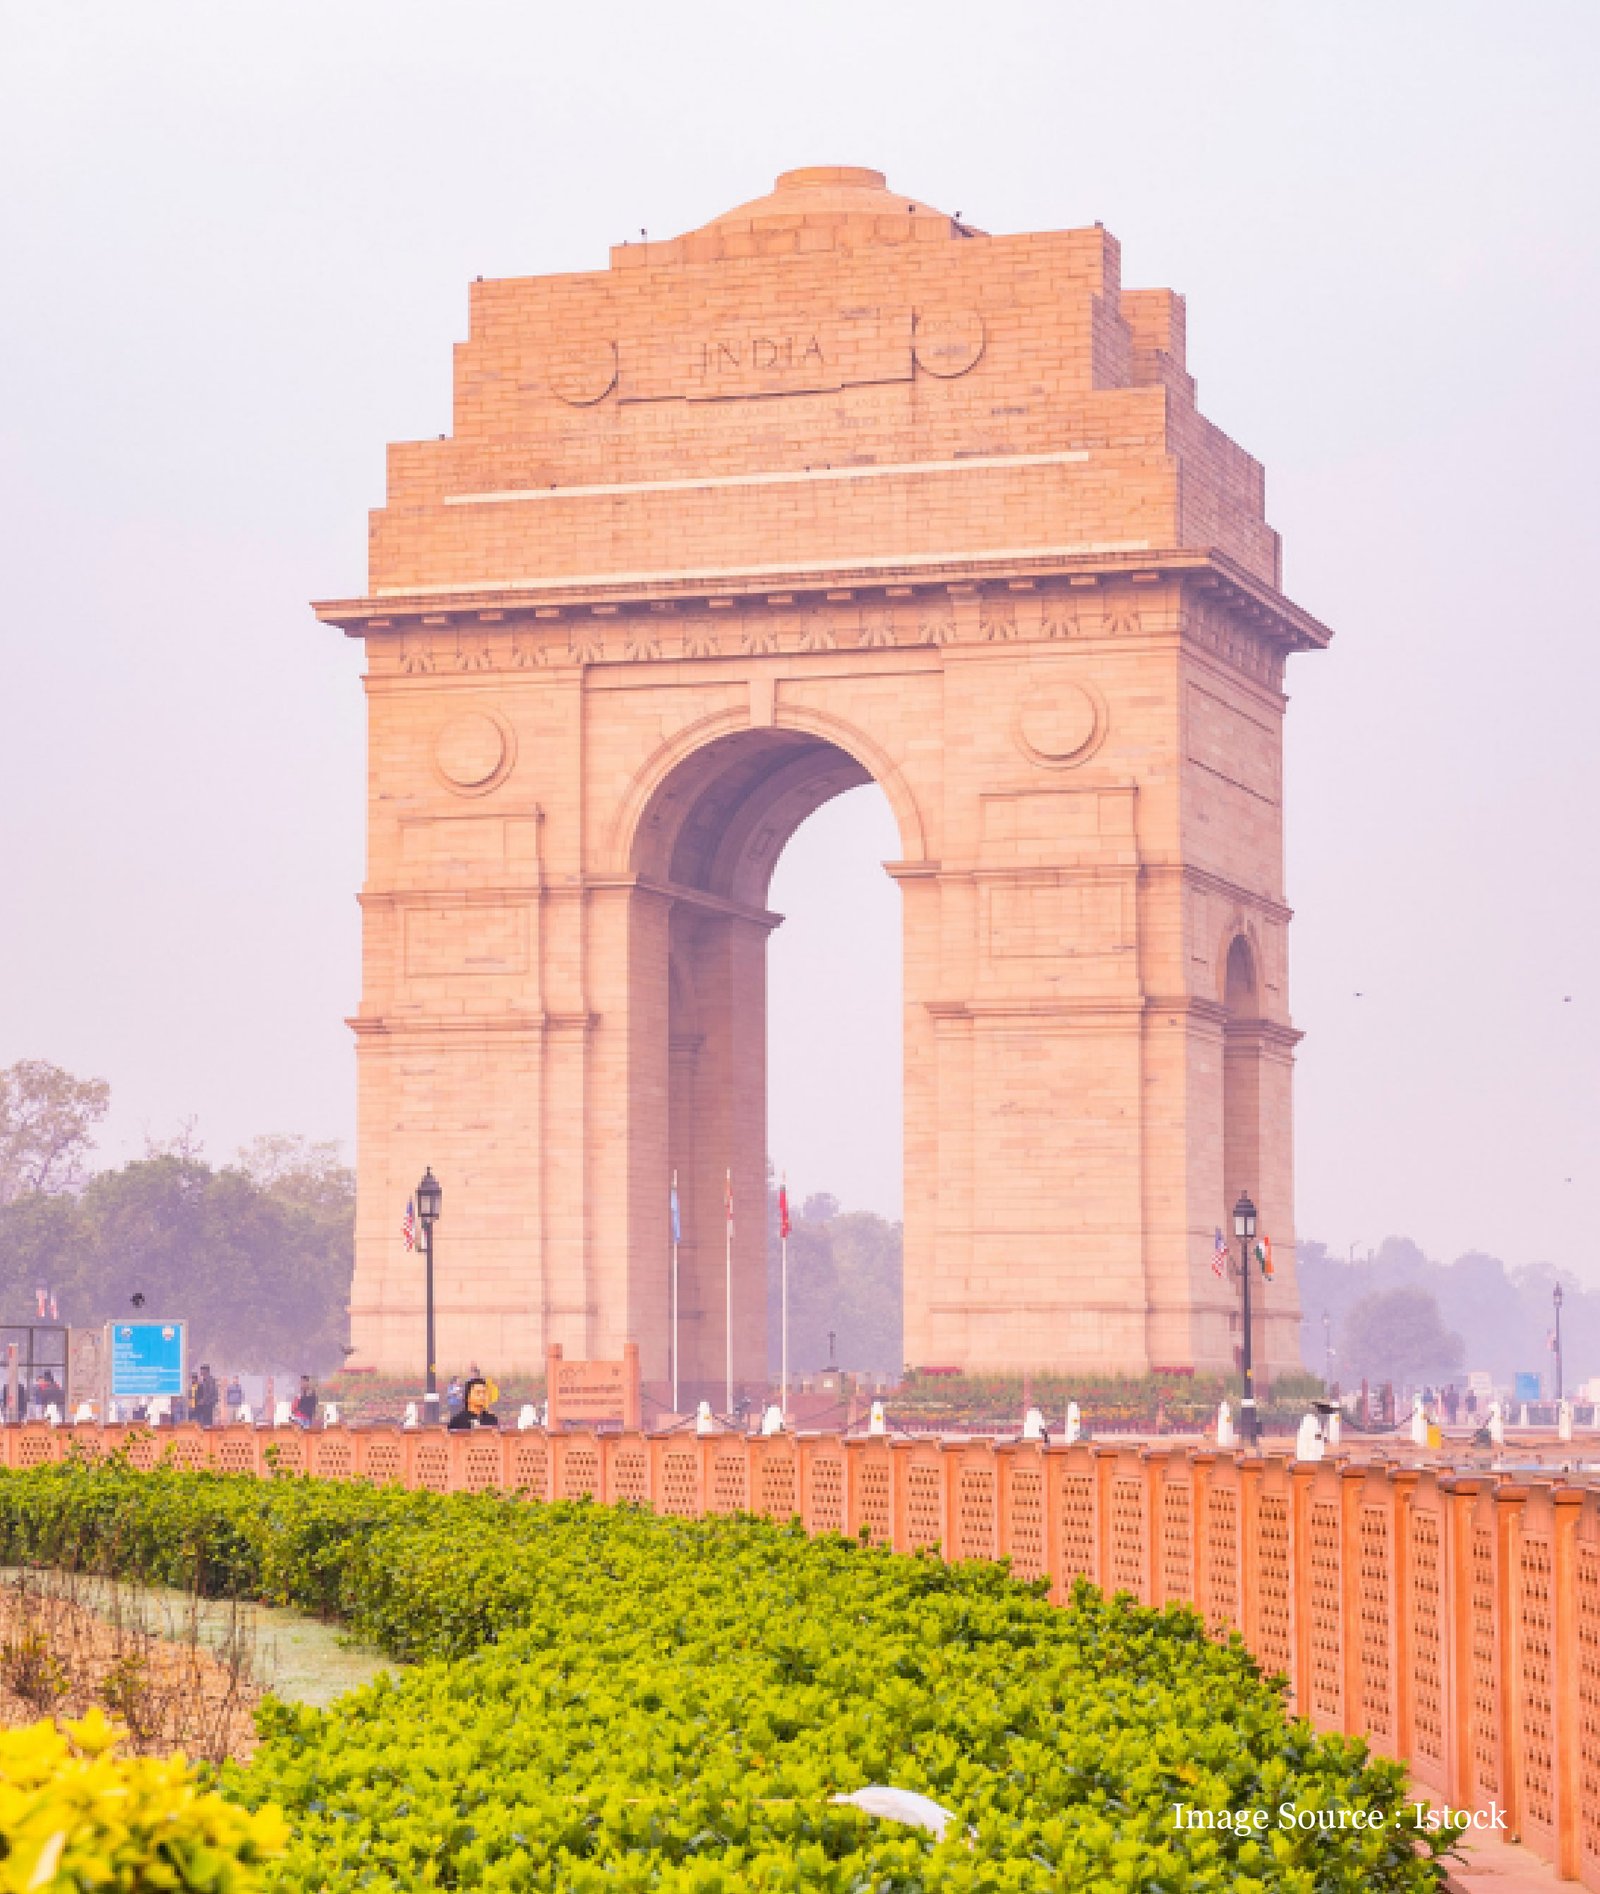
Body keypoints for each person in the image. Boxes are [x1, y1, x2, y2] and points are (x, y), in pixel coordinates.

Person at [193, 1364, 219, 1428]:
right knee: (203, 1418)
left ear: (206, 1371)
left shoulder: (210, 1380)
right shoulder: (204, 1380)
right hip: (205, 1402)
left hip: (209, 1402)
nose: (201, 1372)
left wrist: (203, 1400)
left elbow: (210, 1392)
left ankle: (207, 1430)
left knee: (208, 1419)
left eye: (202, 1371)